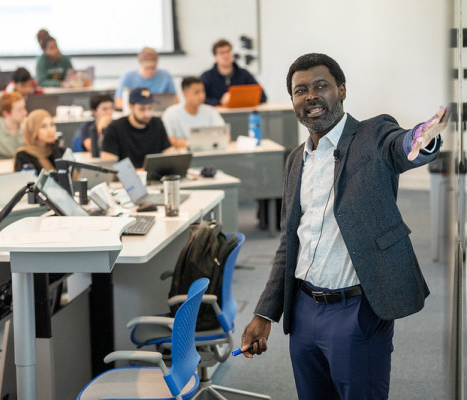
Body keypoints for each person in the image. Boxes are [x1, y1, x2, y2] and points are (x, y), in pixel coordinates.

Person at [239, 53, 449, 400]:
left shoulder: (372, 135)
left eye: (320, 86)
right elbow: (289, 244)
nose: (310, 96)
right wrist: (264, 312)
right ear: (293, 101)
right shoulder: (295, 160)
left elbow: (402, 146)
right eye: (300, 90)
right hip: (302, 310)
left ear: (342, 90)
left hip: (356, 310)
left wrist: (422, 139)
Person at [101, 87, 173, 168]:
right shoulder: (115, 128)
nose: (147, 114)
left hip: (155, 177)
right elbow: (109, 166)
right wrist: (140, 173)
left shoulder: (157, 124)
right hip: (126, 178)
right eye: (142, 109)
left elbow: (169, 154)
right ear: (131, 107)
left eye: (150, 108)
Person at [162, 76, 225, 149]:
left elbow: (224, 136)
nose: (202, 96)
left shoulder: (211, 111)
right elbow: (167, 140)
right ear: (185, 94)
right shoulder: (170, 113)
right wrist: (192, 144)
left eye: (203, 91)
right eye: (197, 92)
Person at [200, 39, 266, 106]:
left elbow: (262, 96)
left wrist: (237, 99)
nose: (226, 56)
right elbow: (198, 99)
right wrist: (220, 102)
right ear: (215, 57)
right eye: (221, 53)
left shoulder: (244, 74)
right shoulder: (207, 76)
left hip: (241, 113)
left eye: (228, 52)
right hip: (216, 114)